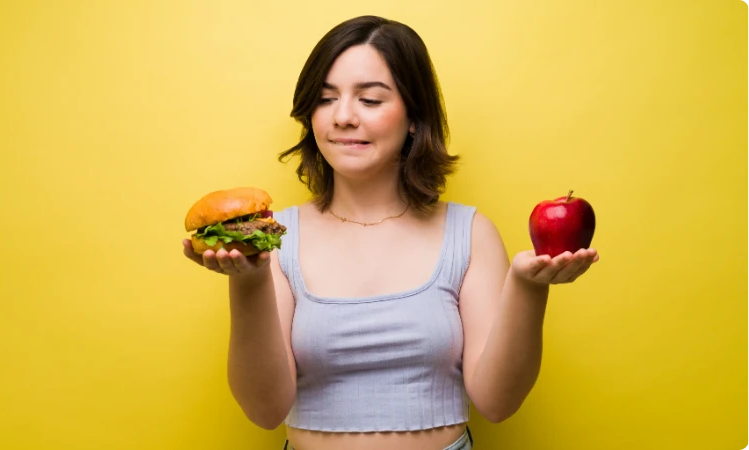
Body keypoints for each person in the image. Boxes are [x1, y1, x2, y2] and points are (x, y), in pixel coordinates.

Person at [182, 15, 599, 450]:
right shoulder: (276, 238)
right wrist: (248, 281)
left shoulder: (470, 233)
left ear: (415, 116)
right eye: (325, 99)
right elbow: (264, 411)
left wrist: (528, 289)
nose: (342, 117)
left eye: (370, 100)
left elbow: (497, 402)